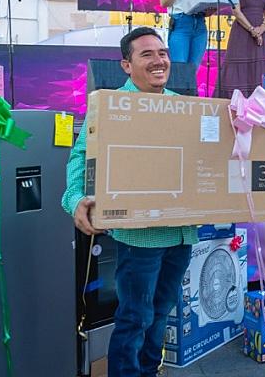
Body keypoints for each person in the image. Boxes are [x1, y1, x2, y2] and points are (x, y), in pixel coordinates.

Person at [61, 27, 198, 376]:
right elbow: (80, 159)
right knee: (135, 318)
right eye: (147, 54)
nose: (159, 60)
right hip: (140, 238)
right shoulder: (108, 106)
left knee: (161, 314)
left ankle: (149, 372)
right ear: (126, 65)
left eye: (163, 53)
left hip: (181, 234)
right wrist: (76, 199)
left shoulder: (184, 108)